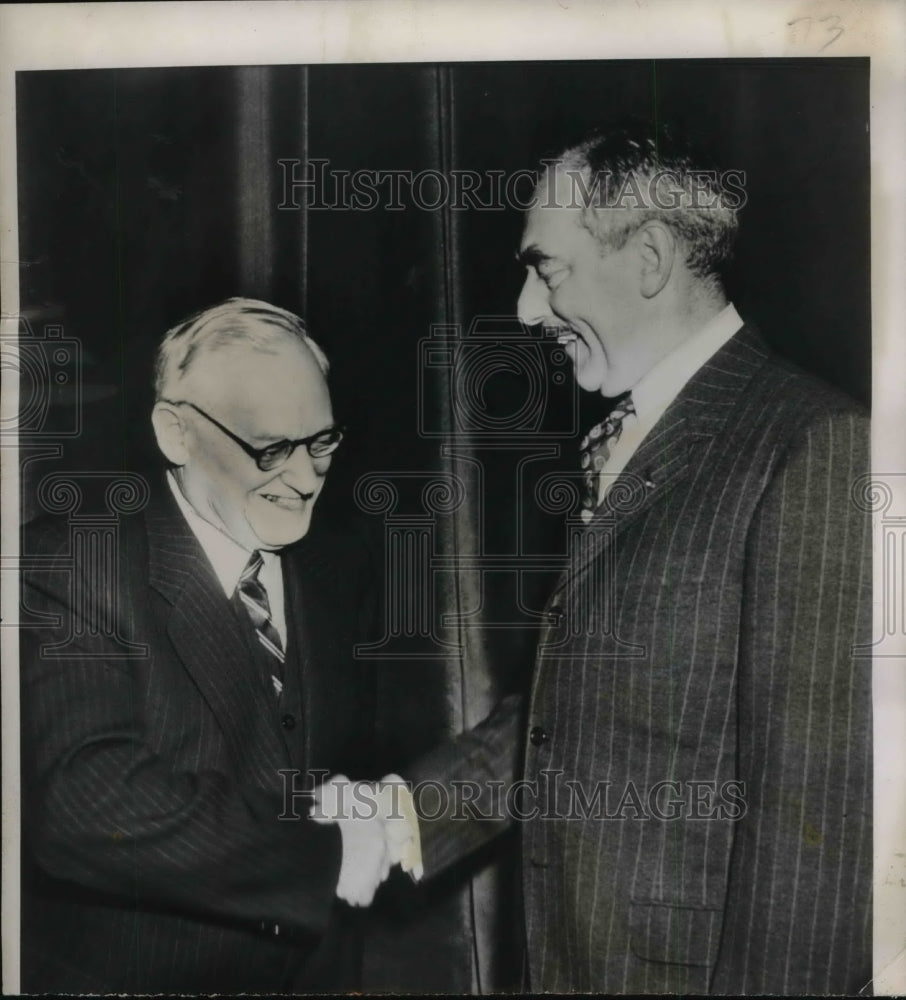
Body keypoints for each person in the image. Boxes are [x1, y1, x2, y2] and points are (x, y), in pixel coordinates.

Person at [319, 122, 873, 994]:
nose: (525, 310)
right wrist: (400, 815)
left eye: (547, 270)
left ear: (648, 259)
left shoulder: (816, 445)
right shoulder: (630, 436)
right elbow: (577, 713)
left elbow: (817, 819)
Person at [19, 298, 391, 993]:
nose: (305, 478)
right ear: (177, 433)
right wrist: (322, 855)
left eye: (322, 442)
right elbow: (83, 803)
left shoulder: (339, 565)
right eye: (271, 449)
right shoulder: (72, 564)